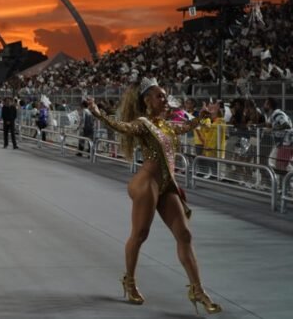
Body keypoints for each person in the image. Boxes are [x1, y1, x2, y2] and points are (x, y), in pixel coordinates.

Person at [88, 78, 221, 314]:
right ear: (147, 100)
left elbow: (186, 127)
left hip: (166, 184)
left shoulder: (167, 125)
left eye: (165, 96)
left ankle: (197, 289)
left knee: (185, 235)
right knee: (140, 234)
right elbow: (122, 127)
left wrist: (202, 115)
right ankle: (129, 281)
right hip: (146, 183)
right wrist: (98, 114)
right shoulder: (142, 124)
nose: (165, 100)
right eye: (160, 96)